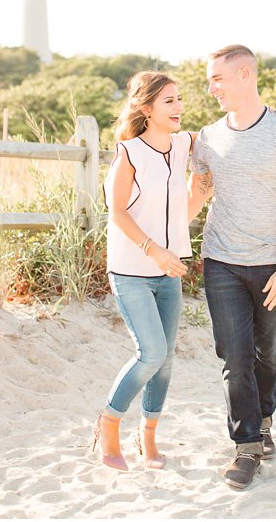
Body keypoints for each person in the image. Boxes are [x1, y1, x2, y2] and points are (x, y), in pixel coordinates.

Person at [190, 44, 276, 490]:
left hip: (271, 266)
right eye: (209, 80)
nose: (211, 88)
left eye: (217, 78)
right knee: (234, 356)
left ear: (245, 75)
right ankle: (245, 447)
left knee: (268, 351)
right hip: (221, 261)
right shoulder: (206, 138)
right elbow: (196, 195)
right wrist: (153, 238)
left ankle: (263, 421)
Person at [93, 71, 201, 471]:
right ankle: (108, 425)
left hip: (167, 270)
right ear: (146, 108)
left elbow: (178, 215)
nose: (179, 107)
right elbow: (117, 211)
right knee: (151, 353)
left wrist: (199, 196)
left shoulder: (183, 145)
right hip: (131, 270)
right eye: (169, 101)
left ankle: (148, 437)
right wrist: (154, 251)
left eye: (179, 98)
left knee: (167, 358)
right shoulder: (129, 153)